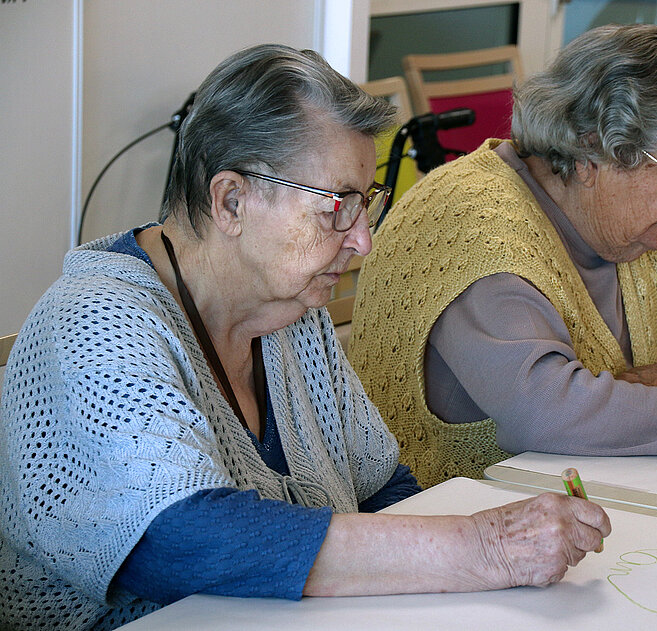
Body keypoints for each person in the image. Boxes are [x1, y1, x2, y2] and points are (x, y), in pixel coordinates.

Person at [0, 45, 610, 630]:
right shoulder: (94, 319)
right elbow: (174, 539)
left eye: (365, 203)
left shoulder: (290, 309)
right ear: (231, 200)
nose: (362, 240)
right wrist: (483, 548)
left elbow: (382, 489)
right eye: (336, 205)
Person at [348, 24, 657, 489]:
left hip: (582, 504)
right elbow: (546, 414)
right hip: (453, 523)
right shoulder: (472, 228)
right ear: (590, 155)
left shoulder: (630, 227)